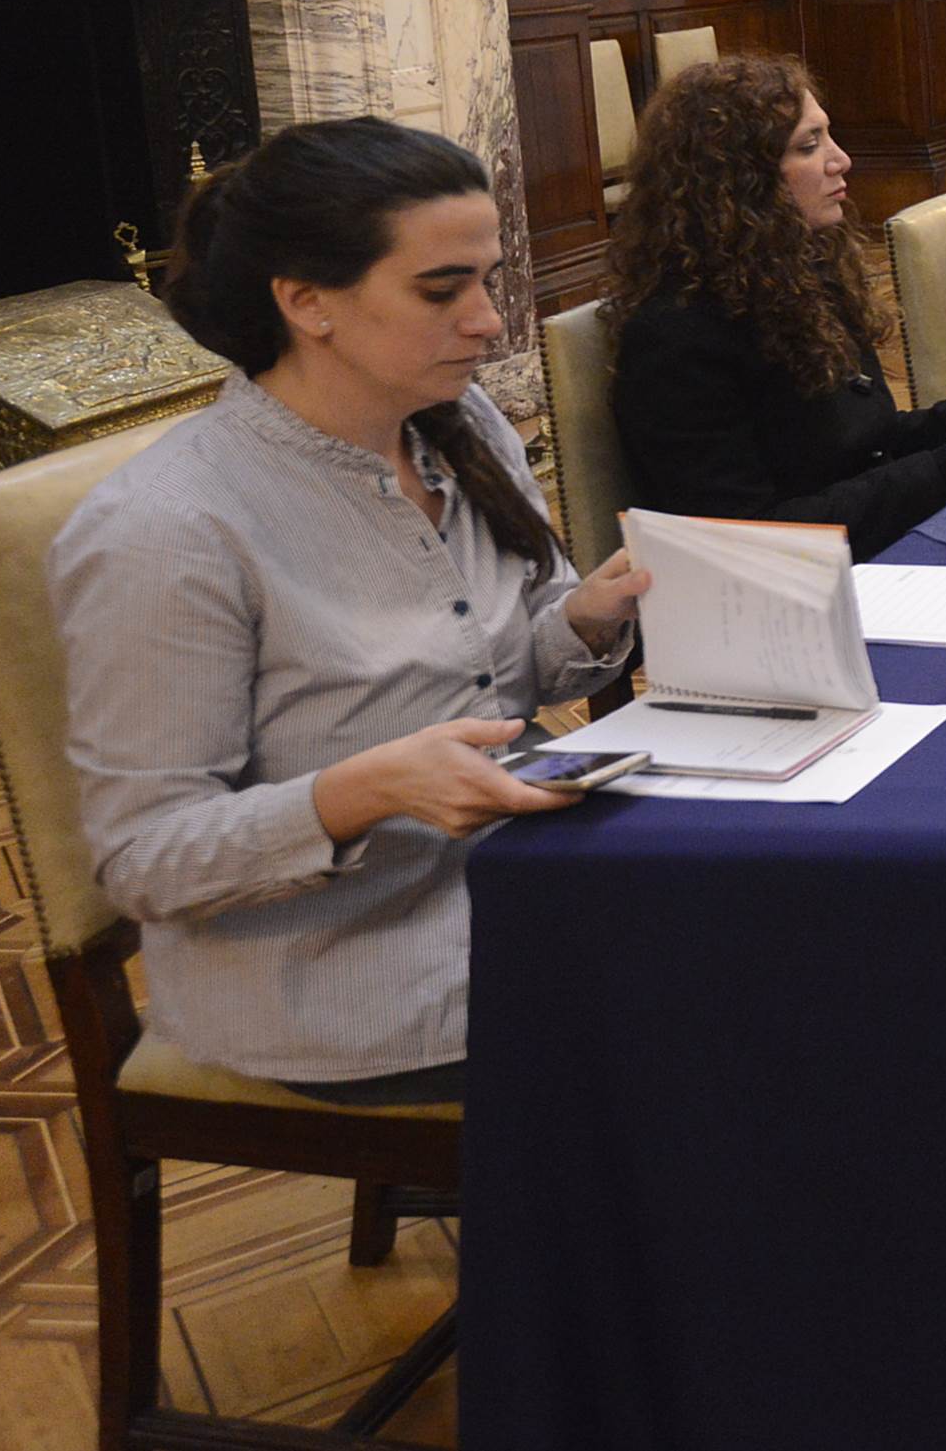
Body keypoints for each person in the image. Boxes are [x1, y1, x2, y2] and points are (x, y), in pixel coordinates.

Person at [49, 118, 649, 1104]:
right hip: (339, 971)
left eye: (488, 278)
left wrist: (587, 612)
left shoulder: (461, 426)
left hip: (515, 882)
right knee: (731, 1013)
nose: (492, 320)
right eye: (441, 288)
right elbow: (142, 858)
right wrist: (361, 792)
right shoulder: (169, 528)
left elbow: (504, 683)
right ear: (305, 302)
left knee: (796, 928)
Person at [610, 54, 946, 561]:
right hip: (780, 606)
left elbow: (872, 446)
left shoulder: (798, 272)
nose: (841, 159)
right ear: (739, 178)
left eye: (829, 136)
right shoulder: (676, 335)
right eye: (809, 146)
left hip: (865, 559)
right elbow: (745, 539)